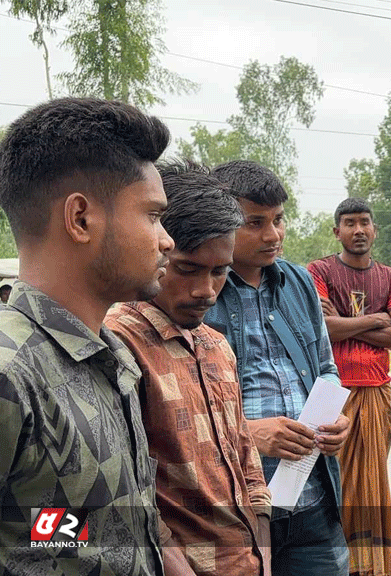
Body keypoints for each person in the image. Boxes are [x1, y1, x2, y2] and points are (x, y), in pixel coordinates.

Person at [0, 97, 172, 575]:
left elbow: (61, 529)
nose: (166, 240)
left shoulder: (111, 356)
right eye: (152, 215)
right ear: (80, 218)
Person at [105, 160, 272, 576]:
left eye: (220, 272)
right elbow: (125, 492)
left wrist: (264, 554)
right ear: (157, 246)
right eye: (187, 269)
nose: (206, 291)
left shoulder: (216, 347)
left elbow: (246, 459)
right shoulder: (117, 345)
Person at [204, 160, 351, 576]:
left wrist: (334, 417)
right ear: (223, 222)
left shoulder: (298, 281)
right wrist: (251, 434)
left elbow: (325, 366)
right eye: (255, 223)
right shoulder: (198, 289)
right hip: (237, 505)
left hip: (312, 494)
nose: (273, 235)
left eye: (279, 220)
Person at [307, 198, 391, 576]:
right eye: (350, 223)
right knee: (334, 482)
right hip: (331, 391)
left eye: (365, 222)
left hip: (376, 390)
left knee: (373, 481)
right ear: (337, 231)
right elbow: (323, 329)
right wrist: (378, 318)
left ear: (375, 229)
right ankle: (336, 564)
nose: (359, 230)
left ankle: (372, 567)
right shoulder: (318, 271)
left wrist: (350, 322)